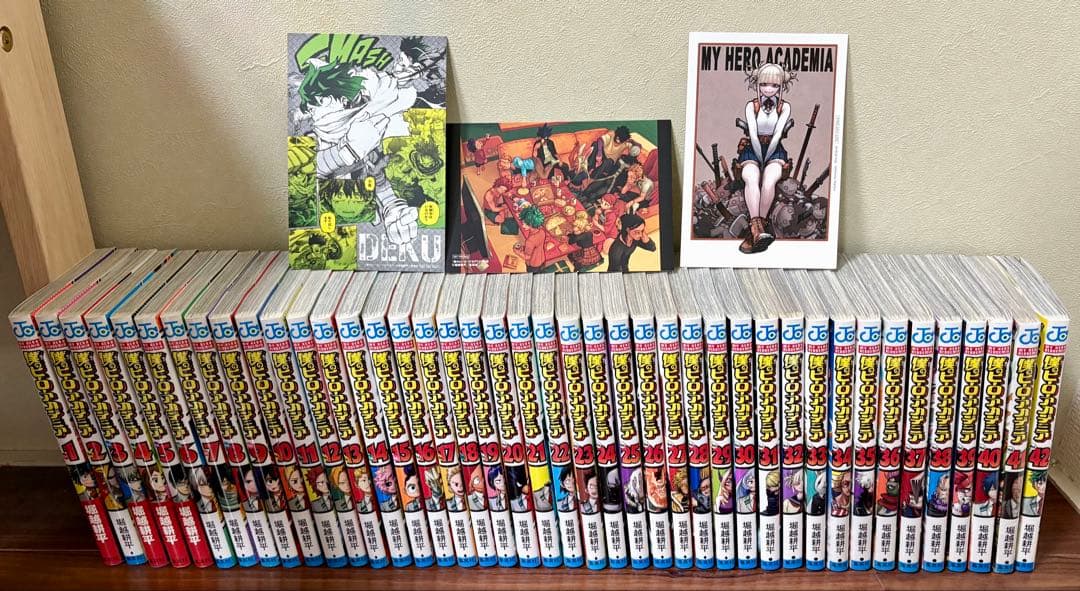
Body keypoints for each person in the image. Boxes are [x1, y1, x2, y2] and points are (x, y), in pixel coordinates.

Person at [734, 63, 796, 254]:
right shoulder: (751, 106)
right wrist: (759, 158)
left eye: (775, 85)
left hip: (775, 150)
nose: (769, 89)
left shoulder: (784, 107)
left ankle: (757, 231)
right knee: (751, 178)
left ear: (781, 86)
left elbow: (777, 134)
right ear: (757, 84)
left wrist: (767, 157)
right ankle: (757, 229)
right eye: (764, 84)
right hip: (752, 150)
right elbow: (753, 134)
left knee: (769, 182)